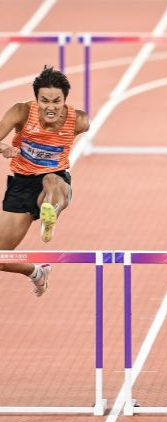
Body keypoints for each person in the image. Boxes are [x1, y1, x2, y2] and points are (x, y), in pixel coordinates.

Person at [0, 66, 90, 296]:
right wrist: (3, 147)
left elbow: (72, 133)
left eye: (56, 101)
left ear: (65, 100)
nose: (50, 107)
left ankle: (50, 213)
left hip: (55, 180)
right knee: (1, 256)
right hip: (21, 184)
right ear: (36, 99)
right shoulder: (20, 112)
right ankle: (36, 272)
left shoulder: (78, 120)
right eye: (45, 101)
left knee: (51, 181)